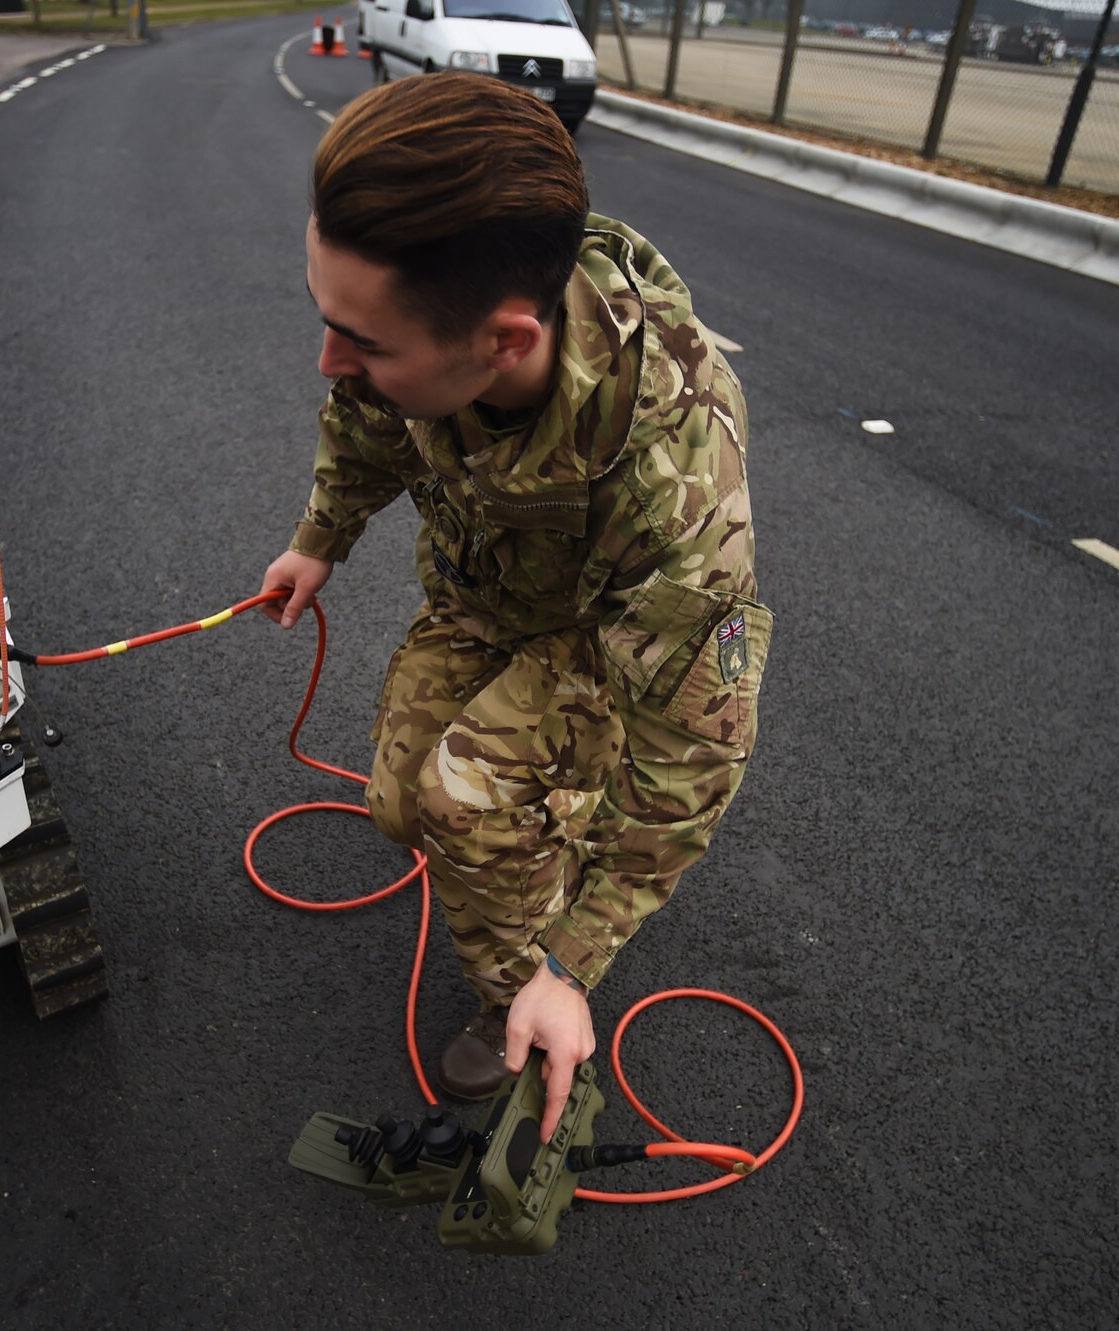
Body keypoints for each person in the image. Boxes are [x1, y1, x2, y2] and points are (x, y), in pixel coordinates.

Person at [260, 74, 771, 1139]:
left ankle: (518, 1008)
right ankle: (544, 831)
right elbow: (361, 423)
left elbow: (697, 741)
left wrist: (570, 962)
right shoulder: (405, 321)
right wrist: (319, 539)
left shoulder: (673, 470)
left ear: (500, 342)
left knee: (464, 808)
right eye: (330, 323)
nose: (329, 359)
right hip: (482, 595)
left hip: (605, 642)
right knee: (395, 803)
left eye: (363, 343)